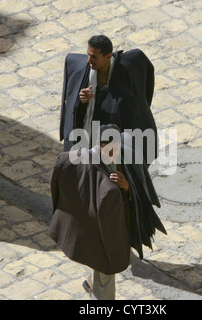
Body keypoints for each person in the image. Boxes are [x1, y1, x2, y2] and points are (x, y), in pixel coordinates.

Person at [48, 124, 165, 299]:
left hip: (94, 227)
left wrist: (126, 188)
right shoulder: (103, 185)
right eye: (109, 149)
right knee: (105, 274)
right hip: (101, 235)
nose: (114, 154)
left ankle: (91, 282)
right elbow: (110, 231)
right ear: (99, 145)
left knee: (100, 272)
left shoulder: (70, 159)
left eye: (116, 148)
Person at [59, 35, 158, 165]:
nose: (89, 60)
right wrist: (82, 101)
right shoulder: (80, 69)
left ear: (108, 56)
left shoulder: (129, 66)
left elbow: (147, 81)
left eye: (94, 57)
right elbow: (74, 110)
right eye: (88, 54)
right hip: (89, 132)